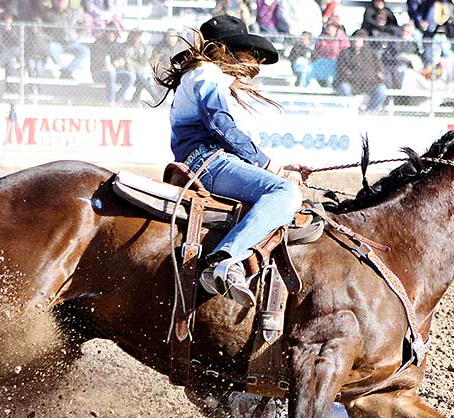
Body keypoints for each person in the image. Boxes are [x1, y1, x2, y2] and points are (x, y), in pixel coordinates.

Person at [154, 16, 310, 307]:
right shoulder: (206, 73)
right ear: (225, 50)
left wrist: (278, 166)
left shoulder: (202, 75)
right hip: (208, 162)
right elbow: (221, 127)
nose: (250, 60)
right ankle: (225, 259)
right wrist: (271, 167)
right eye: (245, 51)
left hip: (206, 160)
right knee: (285, 194)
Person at [334, 29, 388, 113]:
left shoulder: (371, 53)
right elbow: (342, 69)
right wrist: (354, 76)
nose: (357, 41)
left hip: (369, 82)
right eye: (355, 39)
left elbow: (379, 68)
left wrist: (374, 76)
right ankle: (353, 110)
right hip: (351, 82)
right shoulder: (345, 53)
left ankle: (370, 111)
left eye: (359, 39)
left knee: (382, 90)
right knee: (344, 87)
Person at [44, 0, 90, 79]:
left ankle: (67, 71)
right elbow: (44, 30)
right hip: (57, 43)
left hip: (72, 43)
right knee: (50, 48)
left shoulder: (74, 13)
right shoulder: (48, 14)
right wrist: (51, 38)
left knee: (85, 51)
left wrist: (76, 37)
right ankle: (64, 70)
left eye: (63, 0)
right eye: (58, 1)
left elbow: (83, 28)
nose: (61, 2)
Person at [90, 24, 135, 104]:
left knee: (130, 76)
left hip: (114, 73)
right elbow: (99, 63)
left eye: (114, 33)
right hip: (98, 73)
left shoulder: (116, 45)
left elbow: (122, 58)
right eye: (110, 32)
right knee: (111, 72)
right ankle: (110, 102)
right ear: (106, 33)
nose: (112, 35)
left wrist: (121, 61)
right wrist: (112, 65)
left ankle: (118, 99)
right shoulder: (98, 44)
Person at [309, 20, 349, 87]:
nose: (328, 28)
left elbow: (345, 49)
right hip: (322, 60)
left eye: (331, 26)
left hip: (337, 60)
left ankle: (330, 84)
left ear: (336, 27)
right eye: (328, 26)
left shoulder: (342, 37)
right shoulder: (322, 36)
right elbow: (317, 50)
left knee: (333, 66)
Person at [0, 10, 22, 76]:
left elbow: (18, 42)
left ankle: (0, 60)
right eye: (7, 17)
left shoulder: (15, 28)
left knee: (17, 50)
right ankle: (12, 85)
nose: (8, 20)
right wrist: (7, 52)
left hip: (5, 56)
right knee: (10, 61)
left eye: (10, 18)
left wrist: (10, 31)